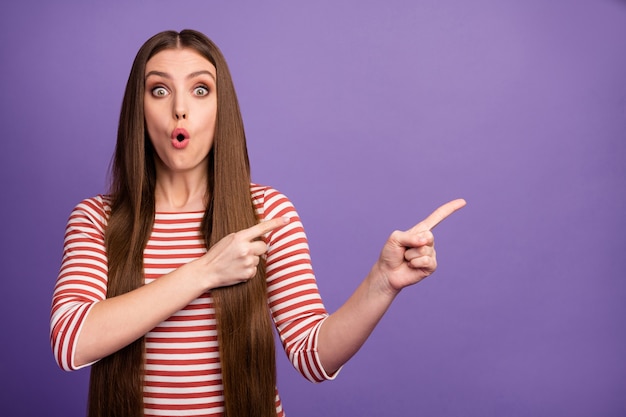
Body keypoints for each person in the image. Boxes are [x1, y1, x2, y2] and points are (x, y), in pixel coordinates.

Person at [50, 29, 466, 417]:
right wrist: (207, 271)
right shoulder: (96, 218)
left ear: (221, 108)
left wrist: (382, 283)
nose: (179, 108)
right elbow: (71, 341)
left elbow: (312, 356)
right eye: (160, 90)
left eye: (200, 90)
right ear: (138, 110)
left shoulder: (267, 212)